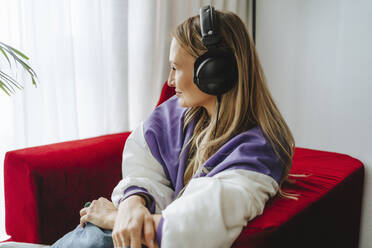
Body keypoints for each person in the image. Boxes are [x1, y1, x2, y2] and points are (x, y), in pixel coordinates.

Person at [0, 5, 295, 248]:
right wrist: (131, 205)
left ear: (214, 73)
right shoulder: (182, 116)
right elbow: (142, 167)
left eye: (176, 68)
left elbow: (193, 228)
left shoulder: (257, 154)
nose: (169, 81)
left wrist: (114, 218)